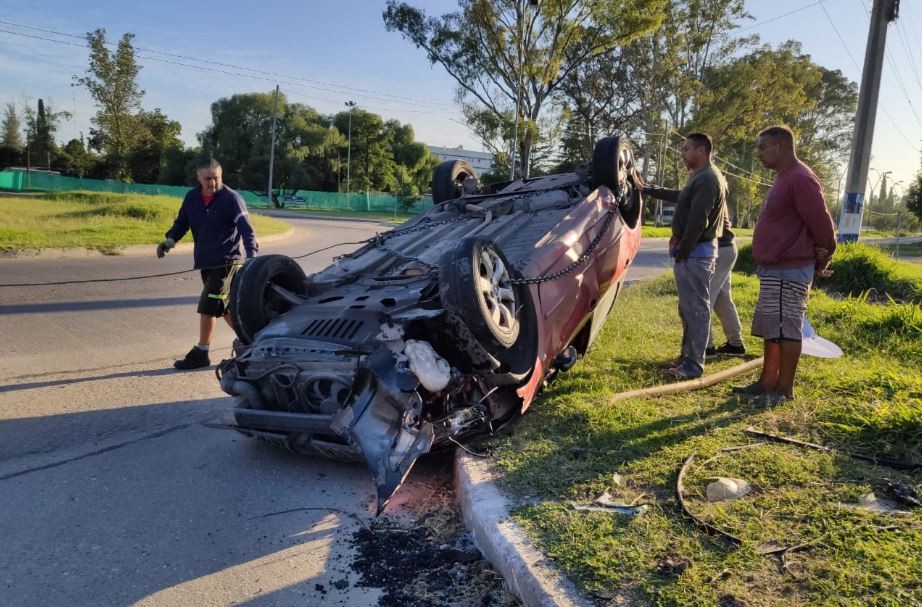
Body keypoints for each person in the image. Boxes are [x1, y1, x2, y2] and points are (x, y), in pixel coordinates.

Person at [733, 125, 836, 404]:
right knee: (773, 327)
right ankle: (767, 382)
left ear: (781, 146)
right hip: (775, 268)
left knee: (786, 327)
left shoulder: (801, 179)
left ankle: (783, 390)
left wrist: (822, 259)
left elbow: (824, 227)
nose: (759, 153)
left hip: (790, 267)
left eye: (763, 147)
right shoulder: (784, 178)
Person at [635, 133, 728, 379]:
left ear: (701, 150)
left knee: (696, 309)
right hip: (692, 253)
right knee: (687, 308)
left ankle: (694, 365)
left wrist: (682, 250)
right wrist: (648, 190)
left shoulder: (709, 178)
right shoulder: (698, 177)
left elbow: (699, 220)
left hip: (696, 254)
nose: (682, 154)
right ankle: (686, 357)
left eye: (686, 149)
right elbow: (681, 197)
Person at [157, 157, 259, 370]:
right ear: (198, 177)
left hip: (227, 262)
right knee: (225, 310)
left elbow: (246, 229)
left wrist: (252, 257)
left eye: (216, 178)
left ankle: (201, 352)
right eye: (208, 179)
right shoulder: (192, 198)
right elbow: (182, 222)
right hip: (206, 262)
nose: (212, 183)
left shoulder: (232, 199)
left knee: (208, 306)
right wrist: (170, 240)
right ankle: (256, 342)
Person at [705, 213, 745, 357]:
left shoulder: (705, 190)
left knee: (704, 298)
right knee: (722, 298)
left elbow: (679, 196)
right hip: (725, 248)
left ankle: (706, 347)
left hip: (717, 250)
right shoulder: (715, 190)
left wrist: (648, 190)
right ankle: (736, 344)